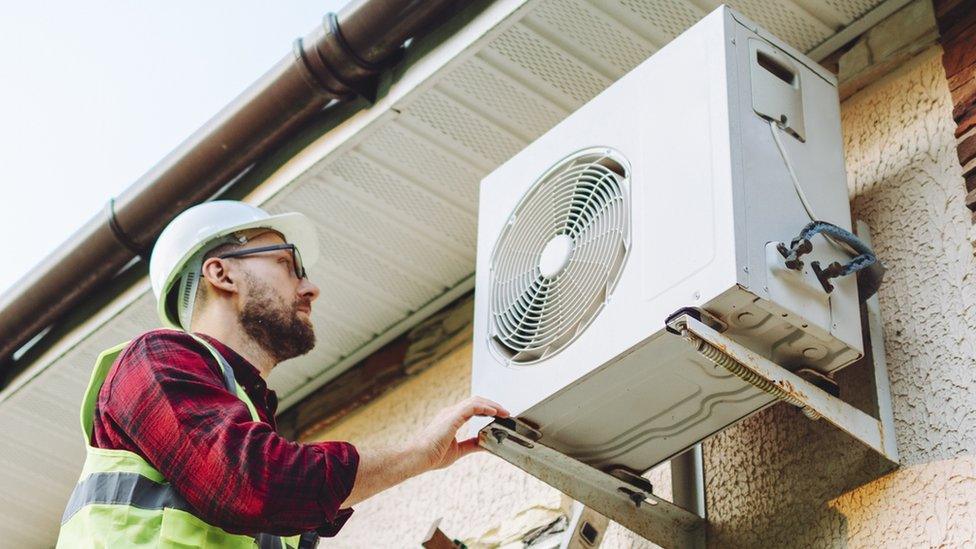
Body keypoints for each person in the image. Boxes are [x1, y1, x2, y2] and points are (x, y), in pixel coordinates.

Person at [56, 201, 508, 548]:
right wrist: (415, 453)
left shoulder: (246, 418)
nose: (310, 287)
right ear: (221, 274)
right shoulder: (155, 359)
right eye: (286, 264)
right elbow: (255, 483)